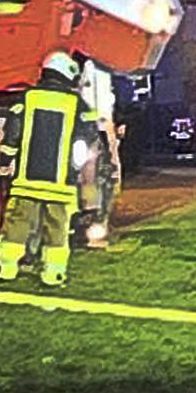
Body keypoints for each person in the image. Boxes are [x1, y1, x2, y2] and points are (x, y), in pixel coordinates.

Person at [0, 52, 91, 288]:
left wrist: (6, 158)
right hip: (60, 181)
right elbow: (85, 138)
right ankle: (53, 272)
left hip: (26, 179)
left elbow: (12, 133)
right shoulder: (76, 103)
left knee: (17, 223)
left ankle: (6, 268)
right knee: (57, 226)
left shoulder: (27, 98)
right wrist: (75, 171)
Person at [75, 55, 121, 249]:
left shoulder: (96, 69)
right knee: (100, 181)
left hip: (93, 134)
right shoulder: (97, 67)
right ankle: (94, 225)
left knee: (100, 181)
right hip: (92, 134)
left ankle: (95, 225)